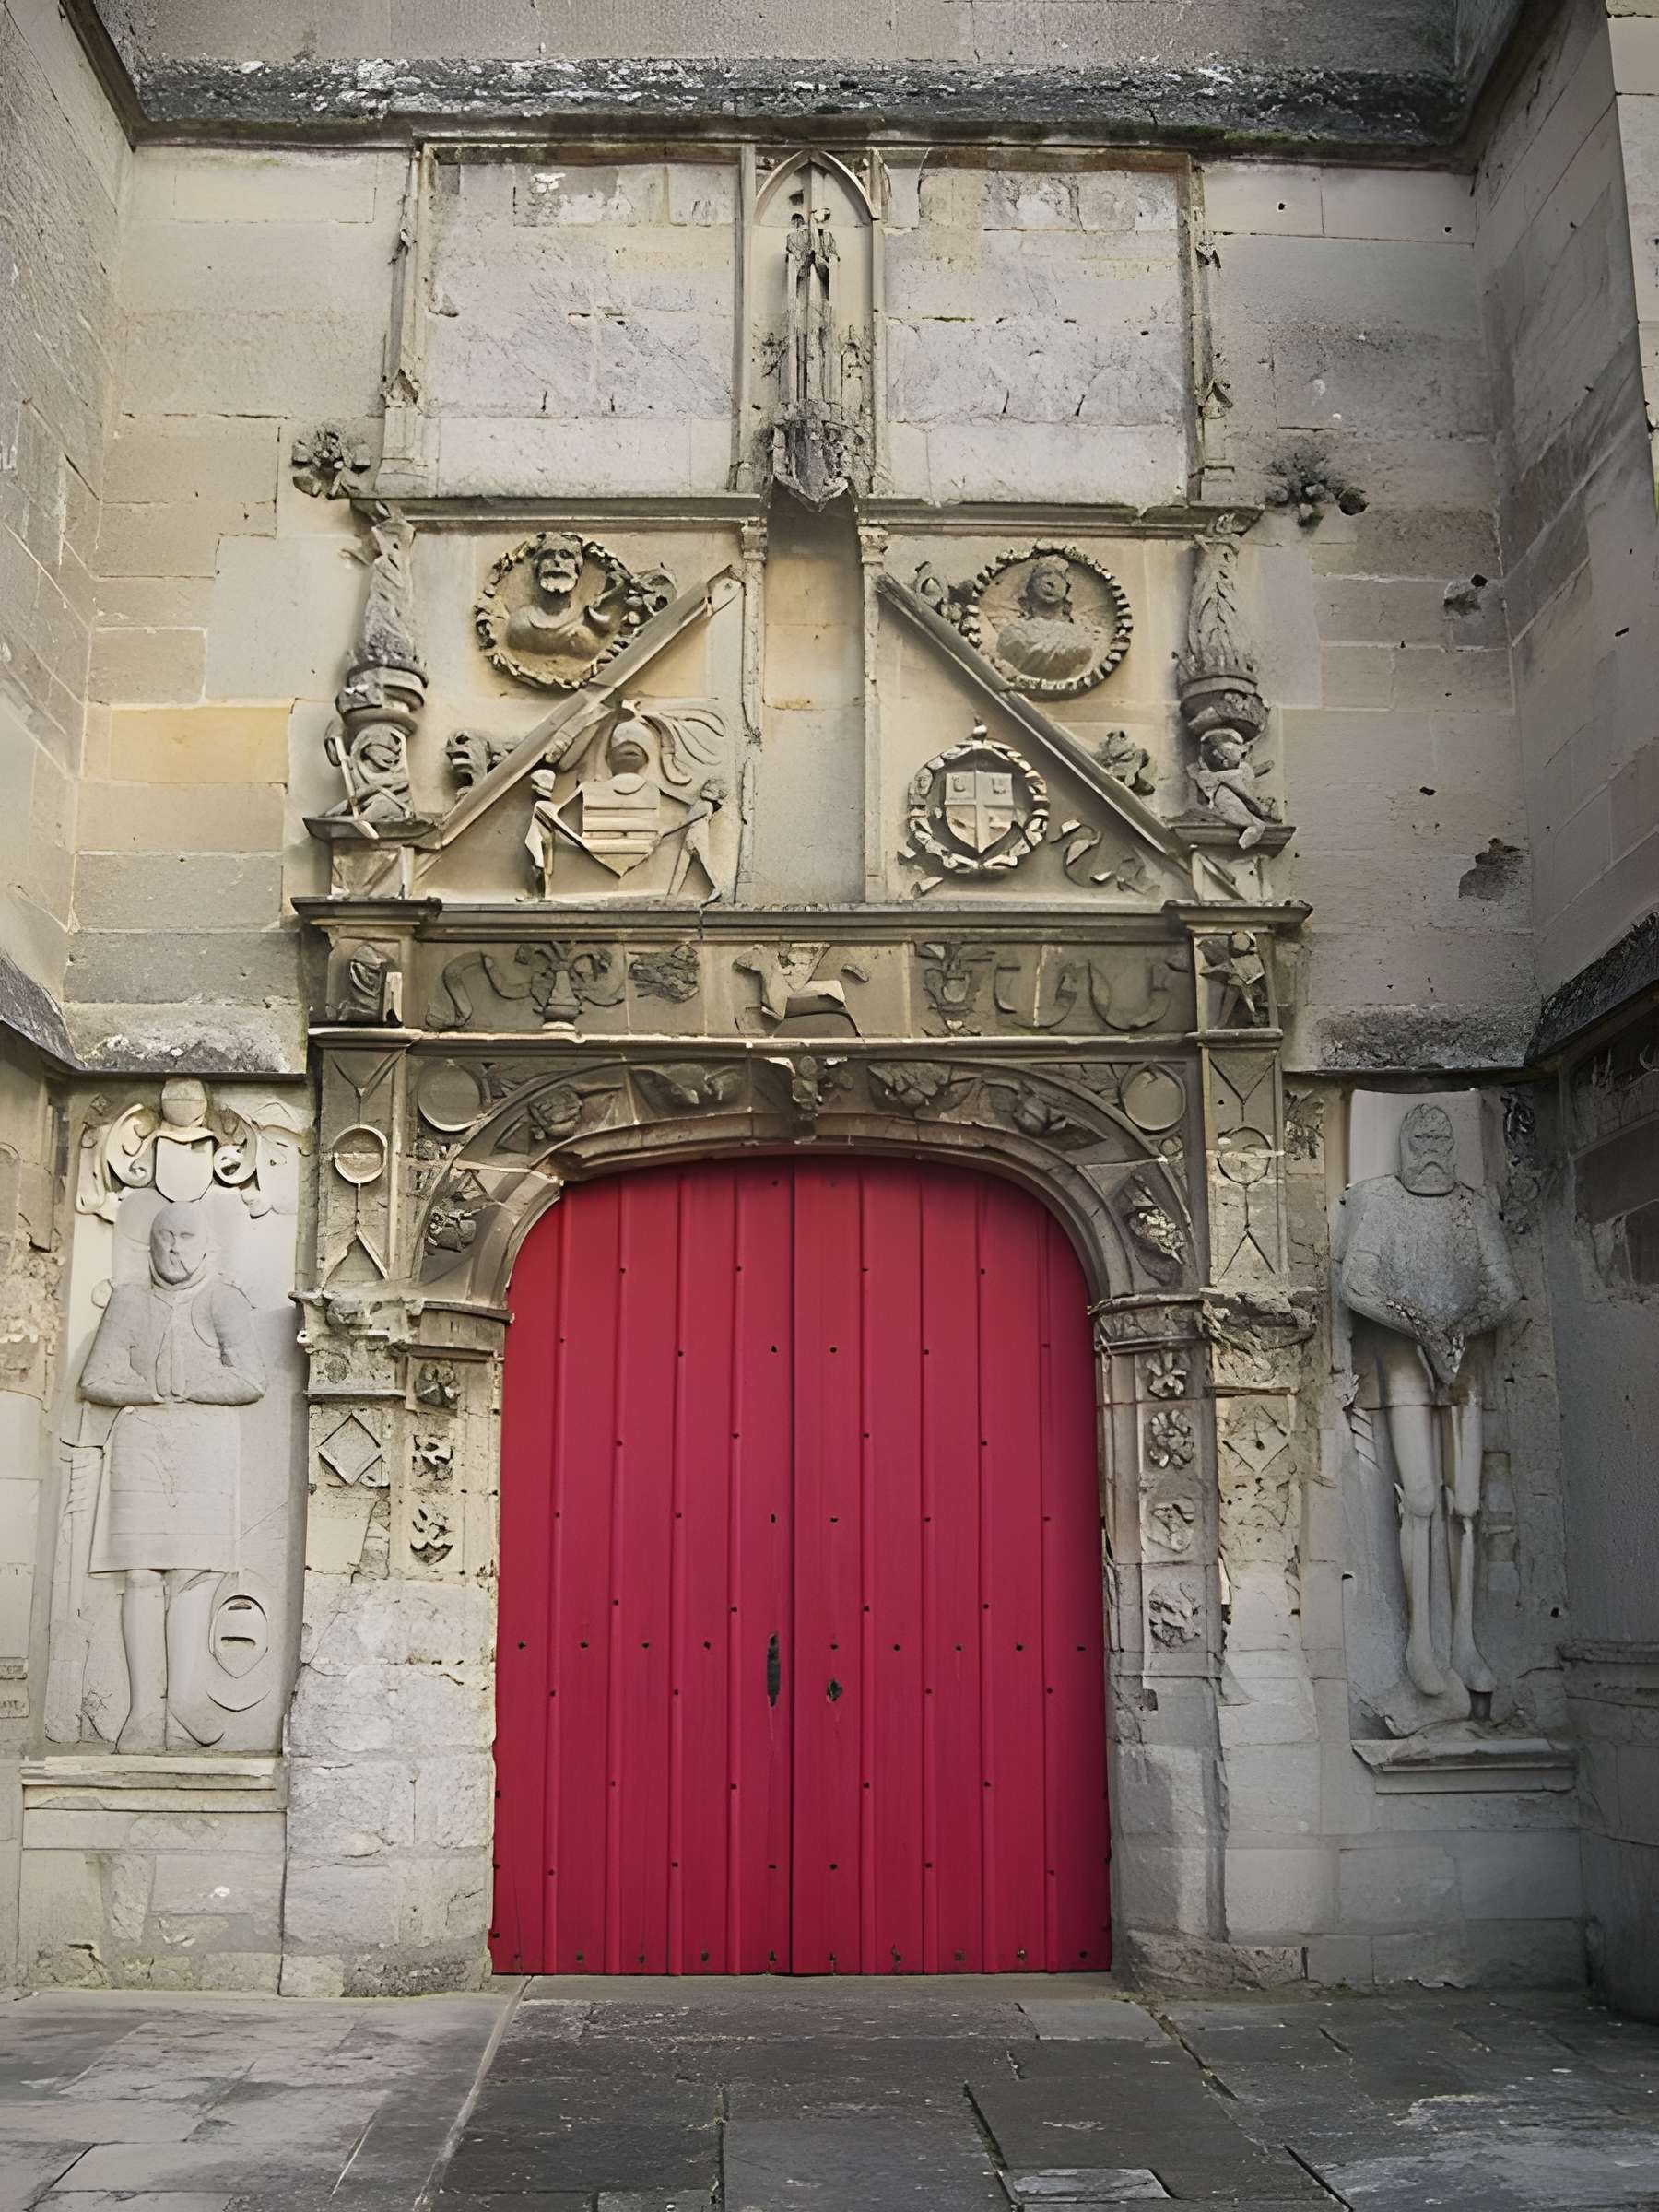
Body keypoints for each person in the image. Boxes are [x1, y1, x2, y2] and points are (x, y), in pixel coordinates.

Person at [1337, 1104, 1521, 1708]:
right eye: (1421, 1137)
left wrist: (1459, 1329)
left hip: (1463, 1366)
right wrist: (1418, 1325)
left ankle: (1464, 1641)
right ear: (1404, 1145)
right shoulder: (1381, 1202)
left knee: (1464, 1505)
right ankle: (1421, 1645)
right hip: (1402, 1367)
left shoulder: (1471, 1206)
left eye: (1442, 1136)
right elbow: (1357, 1283)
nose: (1432, 1146)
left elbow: (1503, 1288)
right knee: (1418, 1499)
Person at [77, 1204, 265, 1752]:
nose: (174, 1248)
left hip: (204, 1444)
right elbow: (97, 1376)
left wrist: (190, 1387)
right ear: (151, 1245)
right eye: (165, 1237)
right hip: (141, 1444)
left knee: (191, 1573)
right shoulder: (130, 1300)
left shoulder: (222, 1300)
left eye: (185, 1237)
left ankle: (184, 1698)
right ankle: (141, 1710)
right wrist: (151, 1391)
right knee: (139, 1575)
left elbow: (250, 1379)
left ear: (205, 1245)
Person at [996, 555, 1098, 683]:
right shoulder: (1012, 634)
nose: (1051, 582)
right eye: (1044, 574)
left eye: (1059, 577)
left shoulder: (1080, 637)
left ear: (1067, 588)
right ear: (1029, 587)